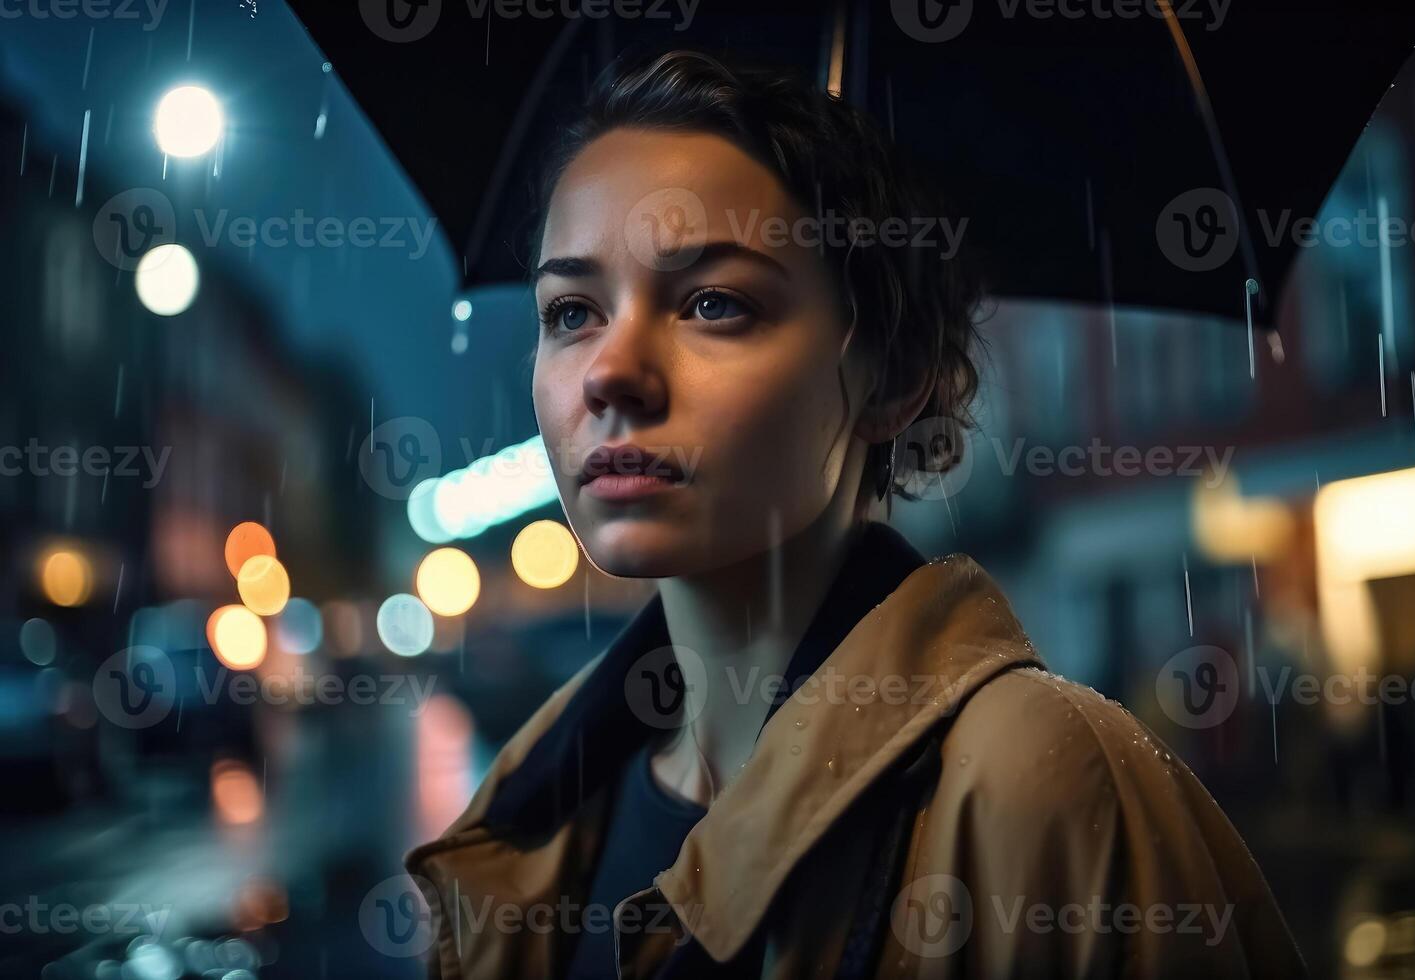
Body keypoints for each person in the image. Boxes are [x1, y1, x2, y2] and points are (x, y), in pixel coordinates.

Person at [404, 49, 1305, 979]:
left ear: (895, 376)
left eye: (714, 303)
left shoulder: (1047, 790)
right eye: (571, 311)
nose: (609, 372)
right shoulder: (537, 818)